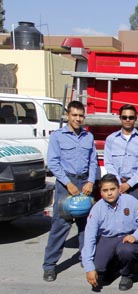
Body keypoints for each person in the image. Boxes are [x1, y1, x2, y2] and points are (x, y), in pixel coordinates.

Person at [43, 100, 98, 282]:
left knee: (85, 225)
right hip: (66, 182)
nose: (78, 119)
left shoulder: (88, 137)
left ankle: (85, 258)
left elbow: (92, 161)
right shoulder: (58, 136)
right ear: (68, 115)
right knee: (61, 225)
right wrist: (68, 183)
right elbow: (53, 162)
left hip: (84, 182)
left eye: (81, 115)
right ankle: (50, 265)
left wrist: (90, 181)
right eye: (74, 115)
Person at [81, 174, 138, 291]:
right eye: (105, 190)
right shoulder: (97, 209)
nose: (109, 193)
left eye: (112, 189)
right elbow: (89, 237)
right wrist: (89, 268)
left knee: (127, 250)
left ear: (119, 189)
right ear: (101, 193)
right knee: (98, 267)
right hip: (108, 238)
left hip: (127, 238)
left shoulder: (131, 201)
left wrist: (135, 236)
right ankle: (113, 267)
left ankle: (127, 274)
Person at [103, 104, 138, 205]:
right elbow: (108, 163)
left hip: (135, 186)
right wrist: (118, 184)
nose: (127, 120)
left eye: (131, 117)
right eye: (124, 117)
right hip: (114, 185)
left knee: (134, 216)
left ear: (135, 119)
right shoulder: (111, 139)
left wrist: (129, 184)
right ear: (120, 118)